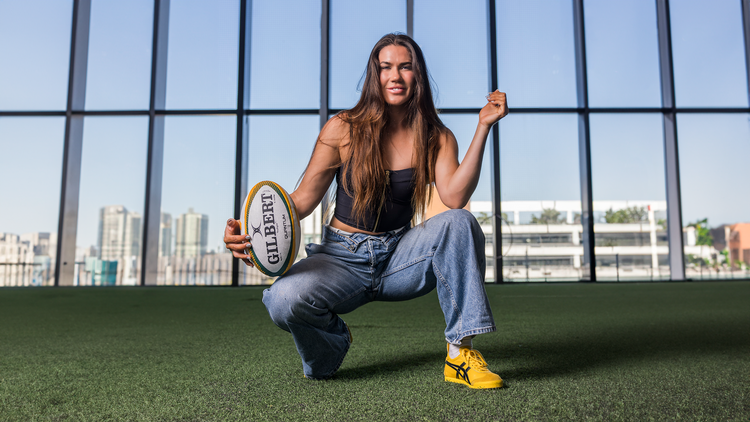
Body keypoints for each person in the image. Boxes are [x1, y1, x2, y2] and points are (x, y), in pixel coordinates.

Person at [224, 33, 508, 388]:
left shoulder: (436, 136)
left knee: (460, 221)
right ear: (375, 76)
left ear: (417, 75)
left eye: (406, 67)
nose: (396, 76)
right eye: (385, 67)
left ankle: (459, 354)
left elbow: (454, 196)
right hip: (340, 259)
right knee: (283, 301)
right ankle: (332, 342)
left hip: (399, 258)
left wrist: (482, 127)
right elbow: (301, 201)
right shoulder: (343, 128)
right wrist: (250, 235)